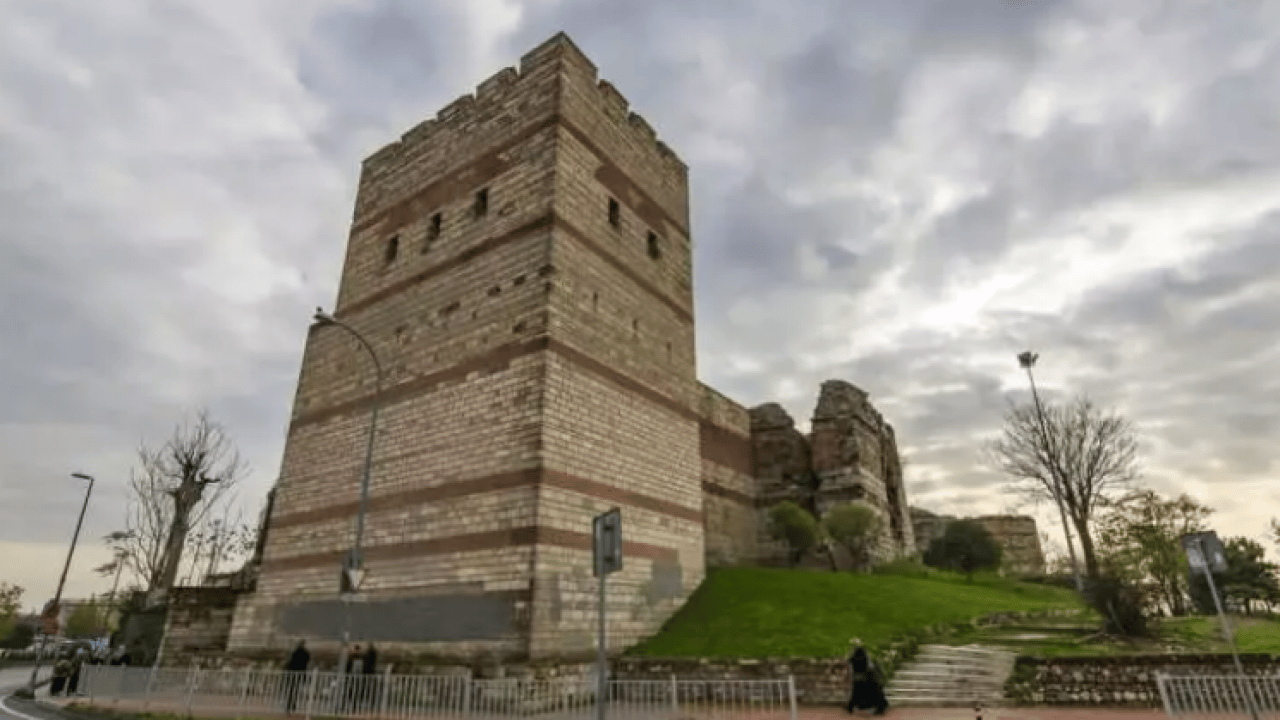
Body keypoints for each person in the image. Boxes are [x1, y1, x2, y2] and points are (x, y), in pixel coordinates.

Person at [846, 639, 889, 716]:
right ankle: (880, 707)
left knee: (859, 688)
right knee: (858, 688)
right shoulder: (868, 664)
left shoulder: (869, 667)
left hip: (868, 687)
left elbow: (878, 686)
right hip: (866, 686)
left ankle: (880, 707)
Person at [284, 640, 310, 715]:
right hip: (298, 674)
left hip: (294, 674)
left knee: (292, 690)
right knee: (295, 691)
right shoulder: (304, 653)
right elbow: (306, 662)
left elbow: (290, 662)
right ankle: (291, 706)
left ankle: (290, 706)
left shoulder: (295, 652)